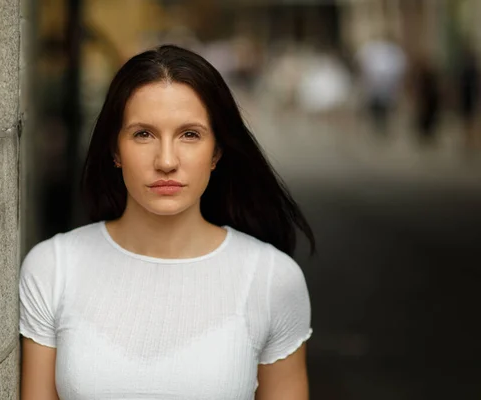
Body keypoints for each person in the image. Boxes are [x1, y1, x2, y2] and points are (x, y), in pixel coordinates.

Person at [19, 44, 316, 400]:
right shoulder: (53, 267)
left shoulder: (272, 279)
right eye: (143, 134)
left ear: (216, 151)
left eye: (190, 134)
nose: (166, 160)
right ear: (115, 150)